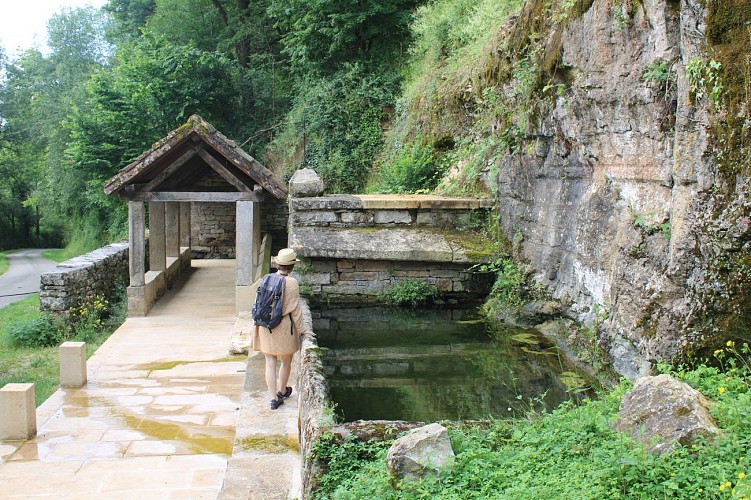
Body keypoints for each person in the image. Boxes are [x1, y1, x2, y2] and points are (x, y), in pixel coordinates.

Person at [253, 248, 314, 410]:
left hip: (266, 326)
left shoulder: (266, 279)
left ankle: (273, 399)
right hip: (284, 327)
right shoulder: (292, 283)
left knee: (270, 362)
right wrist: (303, 329)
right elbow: (296, 310)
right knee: (286, 362)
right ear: (292, 266)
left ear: (278, 264)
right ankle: (282, 391)